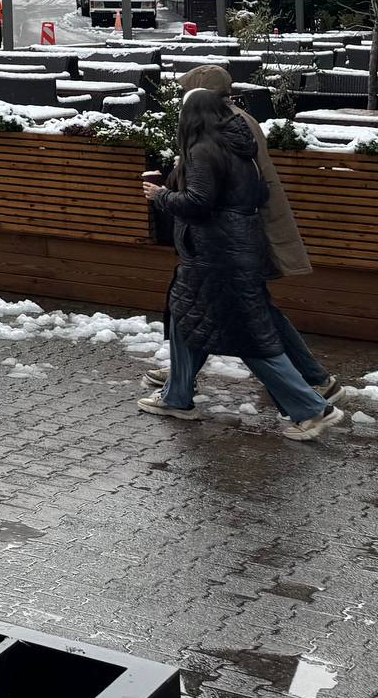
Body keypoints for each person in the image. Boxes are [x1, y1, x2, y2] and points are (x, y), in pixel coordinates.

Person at [141, 87, 346, 438]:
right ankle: (176, 396)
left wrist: (161, 196)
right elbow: (253, 193)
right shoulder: (238, 148)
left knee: (249, 336)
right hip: (235, 249)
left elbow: (198, 203)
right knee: (187, 316)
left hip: (216, 256)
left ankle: (312, 410)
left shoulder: (202, 149)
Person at [174, 61, 343, 402]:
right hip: (230, 235)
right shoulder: (231, 120)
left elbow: (223, 186)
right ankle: (179, 382)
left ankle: (312, 385)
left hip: (230, 237)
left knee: (245, 315)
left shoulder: (223, 126)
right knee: (211, 307)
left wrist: (173, 193)